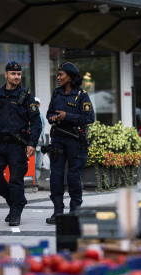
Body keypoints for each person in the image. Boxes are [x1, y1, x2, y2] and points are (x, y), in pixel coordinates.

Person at [0, 61, 42, 227]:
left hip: (17, 145)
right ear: (6, 75)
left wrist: (32, 143)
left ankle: (15, 212)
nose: (17, 77)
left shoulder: (26, 95)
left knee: (16, 179)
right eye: (13, 74)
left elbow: (36, 122)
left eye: (19, 74)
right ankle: (15, 200)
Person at [45, 62, 95, 224]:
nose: (58, 77)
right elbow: (49, 113)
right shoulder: (57, 93)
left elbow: (89, 118)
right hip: (58, 139)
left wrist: (67, 116)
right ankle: (58, 212)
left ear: (70, 77)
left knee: (73, 177)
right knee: (56, 177)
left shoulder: (82, 95)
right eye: (58, 74)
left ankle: (75, 212)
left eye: (61, 74)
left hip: (75, 141)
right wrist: (52, 117)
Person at [34, 97, 46, 191]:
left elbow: (43, 130)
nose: (36, 105)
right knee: (32, 165)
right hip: (32, 145)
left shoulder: (41, 116)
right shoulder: (28, 115)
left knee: (38, 165)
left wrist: (44, 142)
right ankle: (32, 183)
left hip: (40, 145)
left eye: (37, 103)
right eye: (34, 103)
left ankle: (36, 183)